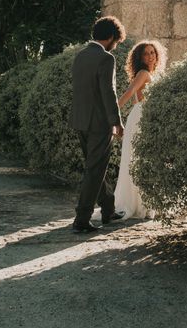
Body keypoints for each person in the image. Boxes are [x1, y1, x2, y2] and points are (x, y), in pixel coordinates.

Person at [69, 16, 127, 234]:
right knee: (94, 170)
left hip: (80, 120)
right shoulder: (106, 58)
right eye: (116, 41)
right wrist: (117, 122)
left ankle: (108, 209)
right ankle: (82, 219)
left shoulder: (81, 56)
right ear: (111, 37)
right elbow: (108, 92)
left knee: (95, 167)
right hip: (99, 123)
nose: (115, 45)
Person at [113, 40, 167, 220]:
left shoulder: (153, 73)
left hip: (146, 116)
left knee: (146, 159)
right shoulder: (143, 73)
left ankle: (147, 203)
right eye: (146, 53)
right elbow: (129, 93)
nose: (150, 56)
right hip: (141, 118)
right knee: (139, 159)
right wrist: (112, 113)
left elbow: (138, 99)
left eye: (153, 52)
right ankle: (140, 205)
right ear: (140, 57)